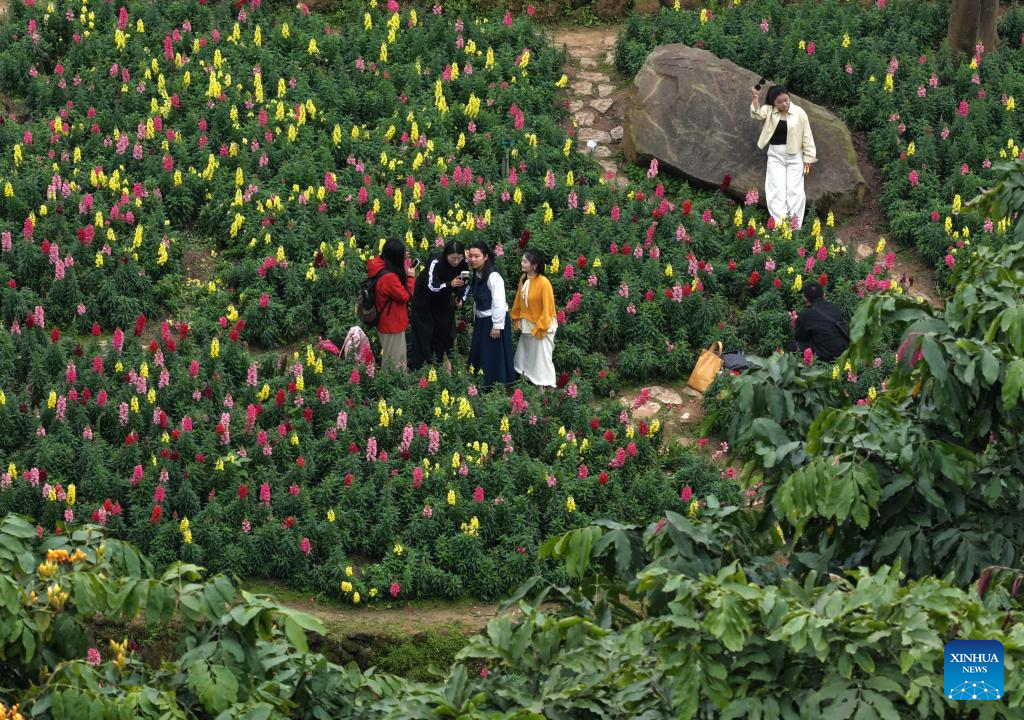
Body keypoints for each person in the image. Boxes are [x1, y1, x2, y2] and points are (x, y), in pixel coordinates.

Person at [750, 84, 817, 229]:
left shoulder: (799, 113)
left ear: (789, 97)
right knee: (776, 190)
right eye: (779, 102)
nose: (784, 104)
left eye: (786, 100)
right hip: (775, 156)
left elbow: (807, 136)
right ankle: (780, 227)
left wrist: (808, 159)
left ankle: (793, 227)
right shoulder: (769, 110)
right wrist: (755, 99)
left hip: (795, 157)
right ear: (773, 102)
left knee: (795, 192)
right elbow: (756, 114)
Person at [408, 241, 470, 371]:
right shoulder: (436, 262)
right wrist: (449, 285)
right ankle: (421, 367)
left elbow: (465, 283)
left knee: (446, 329)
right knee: (425, 332)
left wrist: (461, 299)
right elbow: (431, 286)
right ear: (446, 255)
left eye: (459, 258)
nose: (456, 261)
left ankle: (440, 362)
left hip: (443, 298)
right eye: (452, 258)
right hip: (425, 300)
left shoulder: (464, 264)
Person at [466, 240, 517, 387]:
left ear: (486, 256)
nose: (473, 259)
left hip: (493, 321)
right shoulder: (478, 274)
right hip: (482, 320)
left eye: (477, 256)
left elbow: (499, 302)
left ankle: (495, 384)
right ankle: (482, 381)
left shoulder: (493, 276)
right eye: (471, 256)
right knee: (483, 351)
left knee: (493, 353)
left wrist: (497, 325)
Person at [366, 238, 416, 370]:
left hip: (385, 321)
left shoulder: (379, 264)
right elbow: (405, 296)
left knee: (390, 356)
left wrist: (403, 260)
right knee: (395, 363)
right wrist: (410, 277)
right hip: (392, 323)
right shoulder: (388, 278)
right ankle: (393, 388)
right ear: (395, 258)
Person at [510, 248, 557, 387]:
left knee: (542, 359)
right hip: (528, 325)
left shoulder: (544, 283)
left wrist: (541, 327)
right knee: (528, 357)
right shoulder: (523, 279)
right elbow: (519, 300)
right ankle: (534, 387)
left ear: (534, 265)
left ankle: (546, 389)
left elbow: (548, 308)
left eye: (525, 261)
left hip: (543, 325)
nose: (522, 263)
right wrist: (517, 318)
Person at [794, 281, 849, 361]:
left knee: (793, 346)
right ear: (824, 295)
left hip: (826, 356)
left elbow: (800, 338)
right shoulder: (834, 308)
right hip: (844, 351)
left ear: (805, 298)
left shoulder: (805, 315)